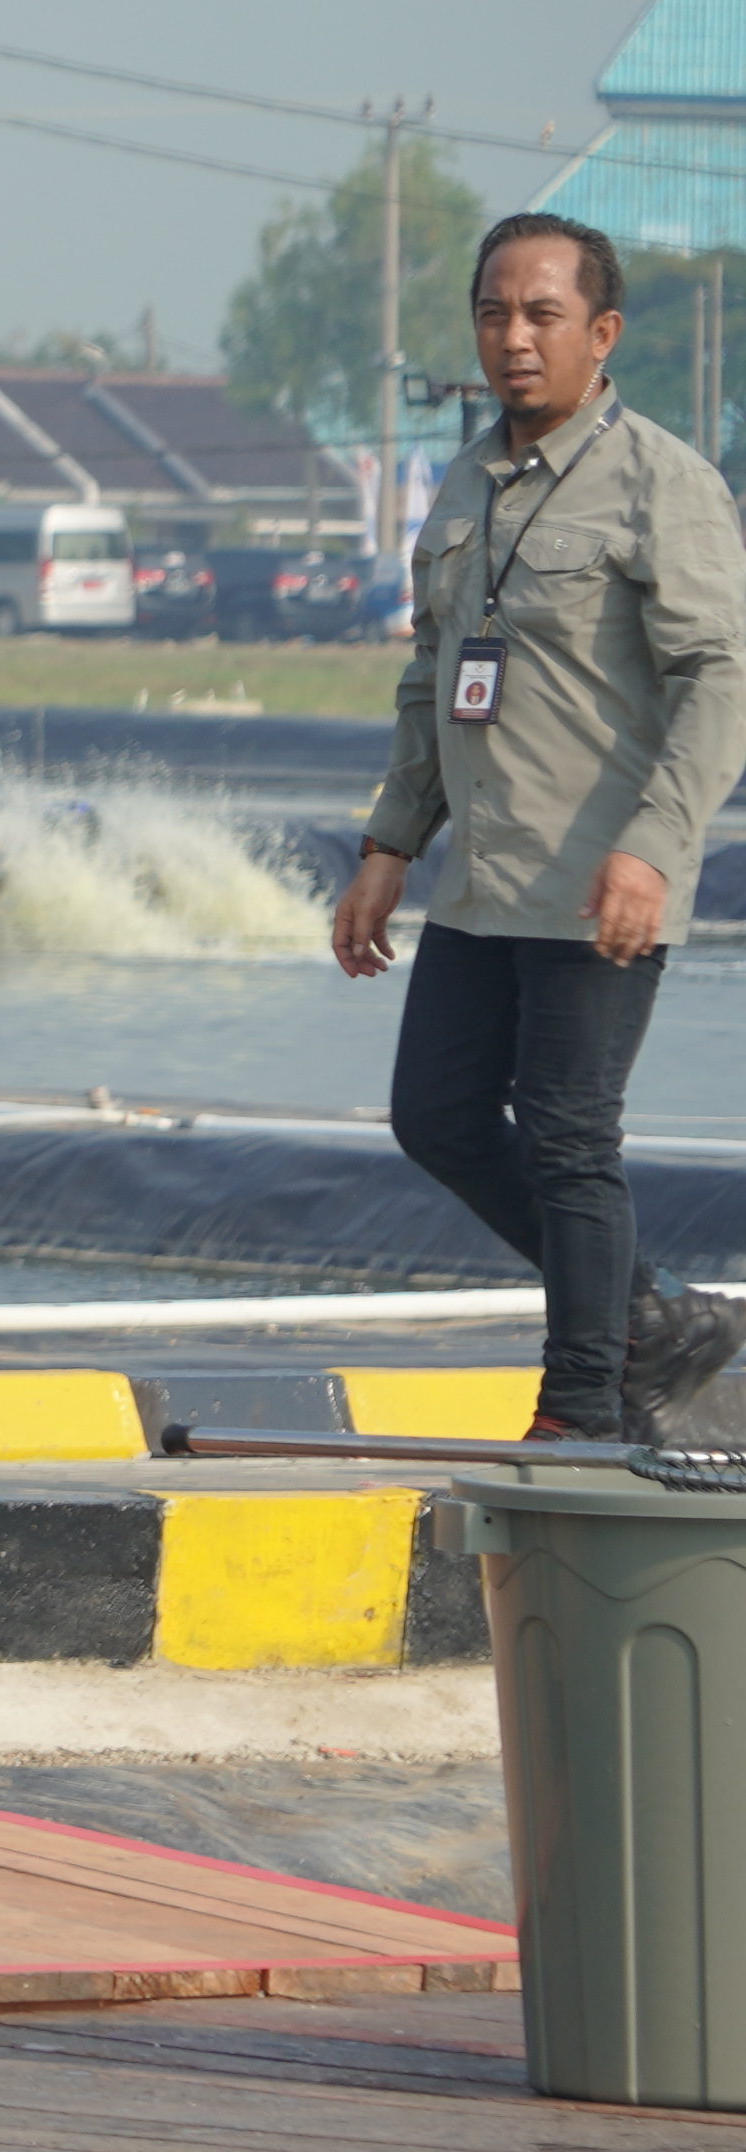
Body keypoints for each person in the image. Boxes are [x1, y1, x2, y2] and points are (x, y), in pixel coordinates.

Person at [333, 212, 746, 1440]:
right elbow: (433, 676)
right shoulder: (466, 478)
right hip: (485, 876)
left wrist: (655, 848)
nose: (515, 339)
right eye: (495, 314)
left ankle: (584, 1403)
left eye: (543, 315)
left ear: (601, 334)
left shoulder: (663, 481)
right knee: (438, 1116)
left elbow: (721, 679)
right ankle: (655, 1318)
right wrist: (389, 845)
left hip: (601, 875)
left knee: (571, 1139)